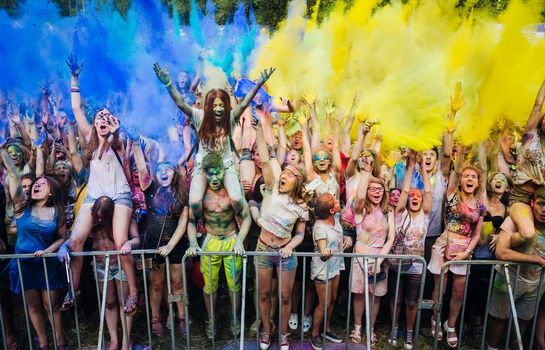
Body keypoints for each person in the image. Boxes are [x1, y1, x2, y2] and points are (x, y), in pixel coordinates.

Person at [153, 63, 274, 260]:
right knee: (193, 201)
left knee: (236, 198)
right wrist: (168, 83)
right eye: (215, 105)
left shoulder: (230, 117)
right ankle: (198, 233)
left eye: (221, 105)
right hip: (203, 165)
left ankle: (236, 229)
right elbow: (180, 104)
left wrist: (260, 82)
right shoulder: (200, 116)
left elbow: (244, 103)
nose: (218, 109)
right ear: (209, 106)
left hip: (225, 165)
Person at [59, 54, 138, 315]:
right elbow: (77, 109)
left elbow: (111, 141)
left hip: (119, 195)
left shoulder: (115, 139)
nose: (103, 118)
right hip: (95, 196)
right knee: (75, 241)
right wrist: (74, 78)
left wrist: (114, 129)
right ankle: (75, 288)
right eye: (100, 116)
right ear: (94, 123)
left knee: (120, 242)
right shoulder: (91, 137)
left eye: (108, 116)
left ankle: (134, 293)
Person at [5, 142, 67, 350]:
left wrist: (49, 250)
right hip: (24, 264)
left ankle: (60, 342)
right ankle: (43, 343)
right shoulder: (22, 207)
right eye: (35, 184)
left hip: (46, 263)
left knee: (51, 305)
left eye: (42, 184)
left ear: (50, 193)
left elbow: (62, 238)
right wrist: (3, 152)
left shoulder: (55, 213)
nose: (36, 186)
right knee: (33, 306)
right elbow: (14, 176)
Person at [254, 118, 309, 350]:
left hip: (286, 254)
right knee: (264, 295)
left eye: (290, 173)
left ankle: (284, 334)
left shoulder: (301, 206)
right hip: (263, 249)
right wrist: (259, 129)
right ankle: (267, 330)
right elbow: (266, 159)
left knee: (285, 297)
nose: (284, 175)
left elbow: (300, 234)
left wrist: (291, 246)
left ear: (298, 181)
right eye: (284, 171)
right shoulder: (273, 188)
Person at [185, 152, 251, 339]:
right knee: (209, 286)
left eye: (218, 172)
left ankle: (235, 319)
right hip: (211, 241)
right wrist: (192, 243)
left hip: (231, 239)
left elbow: (246, 219)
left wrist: (239, 240)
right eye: (210, 173)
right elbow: (191, 221)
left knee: (234, 285)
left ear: (224, 171)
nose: (214, 178)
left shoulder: (233, 194)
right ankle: (211, 321)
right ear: (204, 174)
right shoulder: (201, 197)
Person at [428, 146, 486, 348]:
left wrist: (466, 252)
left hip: (464, 249)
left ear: (478, 183)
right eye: (466, 176)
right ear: (460, 180)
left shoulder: (480, 205)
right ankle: (435, 319)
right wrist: (460, 153)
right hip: (444, 245)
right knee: (440, 288)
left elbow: (477, 233)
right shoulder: (452, 194)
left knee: (458, 292)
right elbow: (456, 170)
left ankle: (450, 325)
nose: (469, 179)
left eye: (474, 177)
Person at [132, 141, 190, 337]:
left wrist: (171, 245)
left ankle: (181, 317)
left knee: (177, 284)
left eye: (168, 169)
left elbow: (183, 224)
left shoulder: (182, 194)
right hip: (153, 246)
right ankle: (155, 318)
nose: (163, 172)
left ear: (175, 173)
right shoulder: (151, 189)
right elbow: (141, 168)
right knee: (156, 284)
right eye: (160, 169)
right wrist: (134, 144)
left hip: (176, 245)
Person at [488, 187, 545, 350]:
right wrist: (535, 259)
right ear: (532, 203)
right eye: (541, 204)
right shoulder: (516, 220)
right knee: (498, 318)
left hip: (535, 284)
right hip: (508, 279)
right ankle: (491, 347)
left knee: (522, 322)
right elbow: (501, 252)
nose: (544, 210)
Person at [350, 156, 395, 345]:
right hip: (360, 257)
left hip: (380, 258)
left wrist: (379, 260)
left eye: (380, 189)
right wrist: (367, 173)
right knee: (360, 294)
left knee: (375, 296)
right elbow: (359, 197)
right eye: (372, 189)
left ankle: (370, 328)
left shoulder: (388, 210)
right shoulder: (360, 208)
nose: (376, 192)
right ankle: (358, 327)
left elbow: (390, 238)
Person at [389, 151, 432, 349]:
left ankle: (409, 332)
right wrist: (411, 165)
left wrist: (423, 166)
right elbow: (404, 190)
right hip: (397, 263)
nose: (414, 197)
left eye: (418, 196)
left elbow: (429, 192)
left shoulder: (425, 214)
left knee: (411, 301)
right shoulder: (400, 213)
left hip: (416, 266)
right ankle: (394, 329)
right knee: (396, 299)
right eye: (412, 196)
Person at [90, 196, 140, 350]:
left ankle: (126, 341)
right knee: (109, 302)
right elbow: (75, 237)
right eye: (96, 215)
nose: (99, 219)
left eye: (102, 216)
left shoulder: (123, 218)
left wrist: (129, 243)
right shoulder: (91, 221)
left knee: (125, 303)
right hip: (100, 265)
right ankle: (114, 340)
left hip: (121, 265)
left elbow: (137, 239)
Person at [508, 78, 545, 243]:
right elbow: (537, 105)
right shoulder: (531, 136)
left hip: (541, 201)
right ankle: (504, 238)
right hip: (521, 196)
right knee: (529, 234)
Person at [309, 193, 344, 350]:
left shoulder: (335, 220)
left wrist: (346, 241)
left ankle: (326, 329)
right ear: (331, 210)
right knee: (324, 303)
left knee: (333, 299)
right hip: (323, 269)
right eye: (334, 201)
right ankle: (314, 333)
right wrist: (326, 253)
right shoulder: (319, 227)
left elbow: (337, 239)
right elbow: (323, 252)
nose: (337, 201)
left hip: (335, 266)